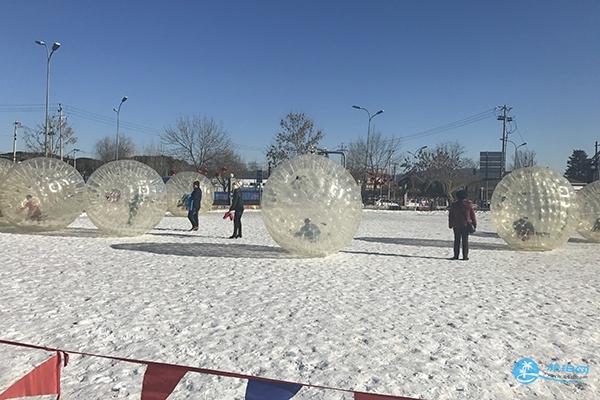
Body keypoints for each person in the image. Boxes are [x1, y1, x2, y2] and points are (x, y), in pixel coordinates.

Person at [448, 189, 476, 260]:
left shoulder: (454, 205)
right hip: (466, 225)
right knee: (465, 241)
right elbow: (472, 216)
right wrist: (474, 224)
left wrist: (450, 224)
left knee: (456, 241)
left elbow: (451, 215)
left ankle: (456, 255)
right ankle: (465, 256)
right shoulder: (469, 205)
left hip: (456, 225)